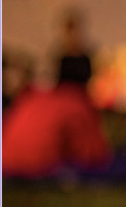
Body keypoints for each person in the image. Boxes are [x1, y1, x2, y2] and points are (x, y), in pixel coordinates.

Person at [2, 10, 111, 178]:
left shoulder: (34, 100)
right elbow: (95, 156)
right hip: (38, 168)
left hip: (7, 163)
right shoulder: (74, 105)